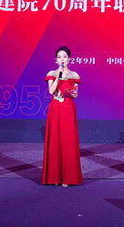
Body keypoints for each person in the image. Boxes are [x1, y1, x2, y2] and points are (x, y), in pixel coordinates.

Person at [42, 45, 82, 186]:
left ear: (69, 59)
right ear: (56, 60)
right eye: (59, 57)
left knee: (68, 140)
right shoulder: (52, 73)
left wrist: (73, 93)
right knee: (55, 140)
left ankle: (68, 178)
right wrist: (58, 76)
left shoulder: (74, 75)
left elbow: (76, 95)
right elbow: (51, 91)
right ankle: (54, 177)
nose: (62, 59)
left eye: (64, 56)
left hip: (68, 108)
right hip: (55, 108)